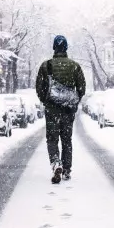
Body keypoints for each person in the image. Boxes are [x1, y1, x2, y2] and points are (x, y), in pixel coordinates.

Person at [35, 35, 87, 184]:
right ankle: (66, 170)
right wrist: (73, 101)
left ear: (54, 48)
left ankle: (55, 163)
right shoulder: (74, 66)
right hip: (68, 111)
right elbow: (82, 87)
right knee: (66, 140)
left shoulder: (46, 66)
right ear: (66, 48)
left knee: (52, 139)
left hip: (52, 110)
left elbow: (39, 87)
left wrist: (46, 100)